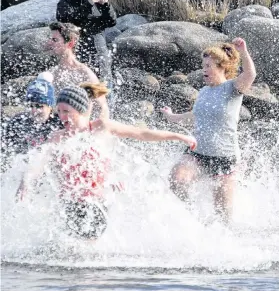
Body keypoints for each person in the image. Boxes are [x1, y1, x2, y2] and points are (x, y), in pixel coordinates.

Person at [16, 83, 197, 239]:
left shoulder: (102, 128)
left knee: (87, 253)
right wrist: (26, 182)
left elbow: (141, 134)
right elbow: (38, 161)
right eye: (60, 111)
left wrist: (178, 136)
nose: (62, 116)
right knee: (72, 255)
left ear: (80, 109)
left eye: (67, 111)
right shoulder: (58, 137)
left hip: (97, 201)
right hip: (68, 202)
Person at [160, 38, 256, 221]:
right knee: (177, 181)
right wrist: (172, 117)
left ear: (221, 67)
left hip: (224, 158)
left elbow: (250, 74)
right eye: (203, 65)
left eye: (208, 65)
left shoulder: (232, 88)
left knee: (223, 216)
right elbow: (197, 115)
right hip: (198, 152)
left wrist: (243, 51)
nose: (203, 69)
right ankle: (194, 218)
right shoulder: (204, 91)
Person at [56, 0, 117, 71]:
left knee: (104, 84)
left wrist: (105, 5)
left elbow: (111, 22)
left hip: (100, 51)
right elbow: (70, 20)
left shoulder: (97, 3)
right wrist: (87, 4)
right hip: (78, 51)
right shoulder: (64, 4)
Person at [47, 21, 110, 119]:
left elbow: (103, 108)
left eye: (55, 40)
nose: (49, 43)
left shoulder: (84, 73)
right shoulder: (51, 73)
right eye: (50, 39)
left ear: (70, 43)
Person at [2, 72, 63, 158]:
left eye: (39, 106)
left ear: (50, 106)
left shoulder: (60, 123)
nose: (34, 111)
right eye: (31, 105)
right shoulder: (17, 123)